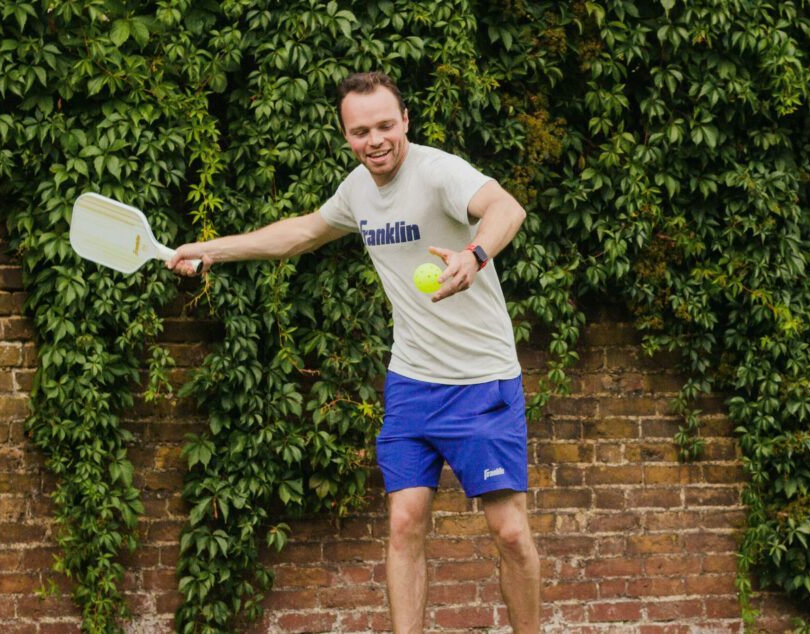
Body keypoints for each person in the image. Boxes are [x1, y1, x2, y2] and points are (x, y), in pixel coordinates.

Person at [167, 71, 541, 633]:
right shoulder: (357, 190)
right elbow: (300, 233)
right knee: (403, 524)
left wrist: (475, 254)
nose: (376, 140)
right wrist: (210, 250)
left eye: (386, 125)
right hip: (412, 383)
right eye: (360, 130)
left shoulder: (439, 172)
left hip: (481, 379)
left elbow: (507, 208)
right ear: (346, 135)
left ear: (405, 121)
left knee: (510, 532)